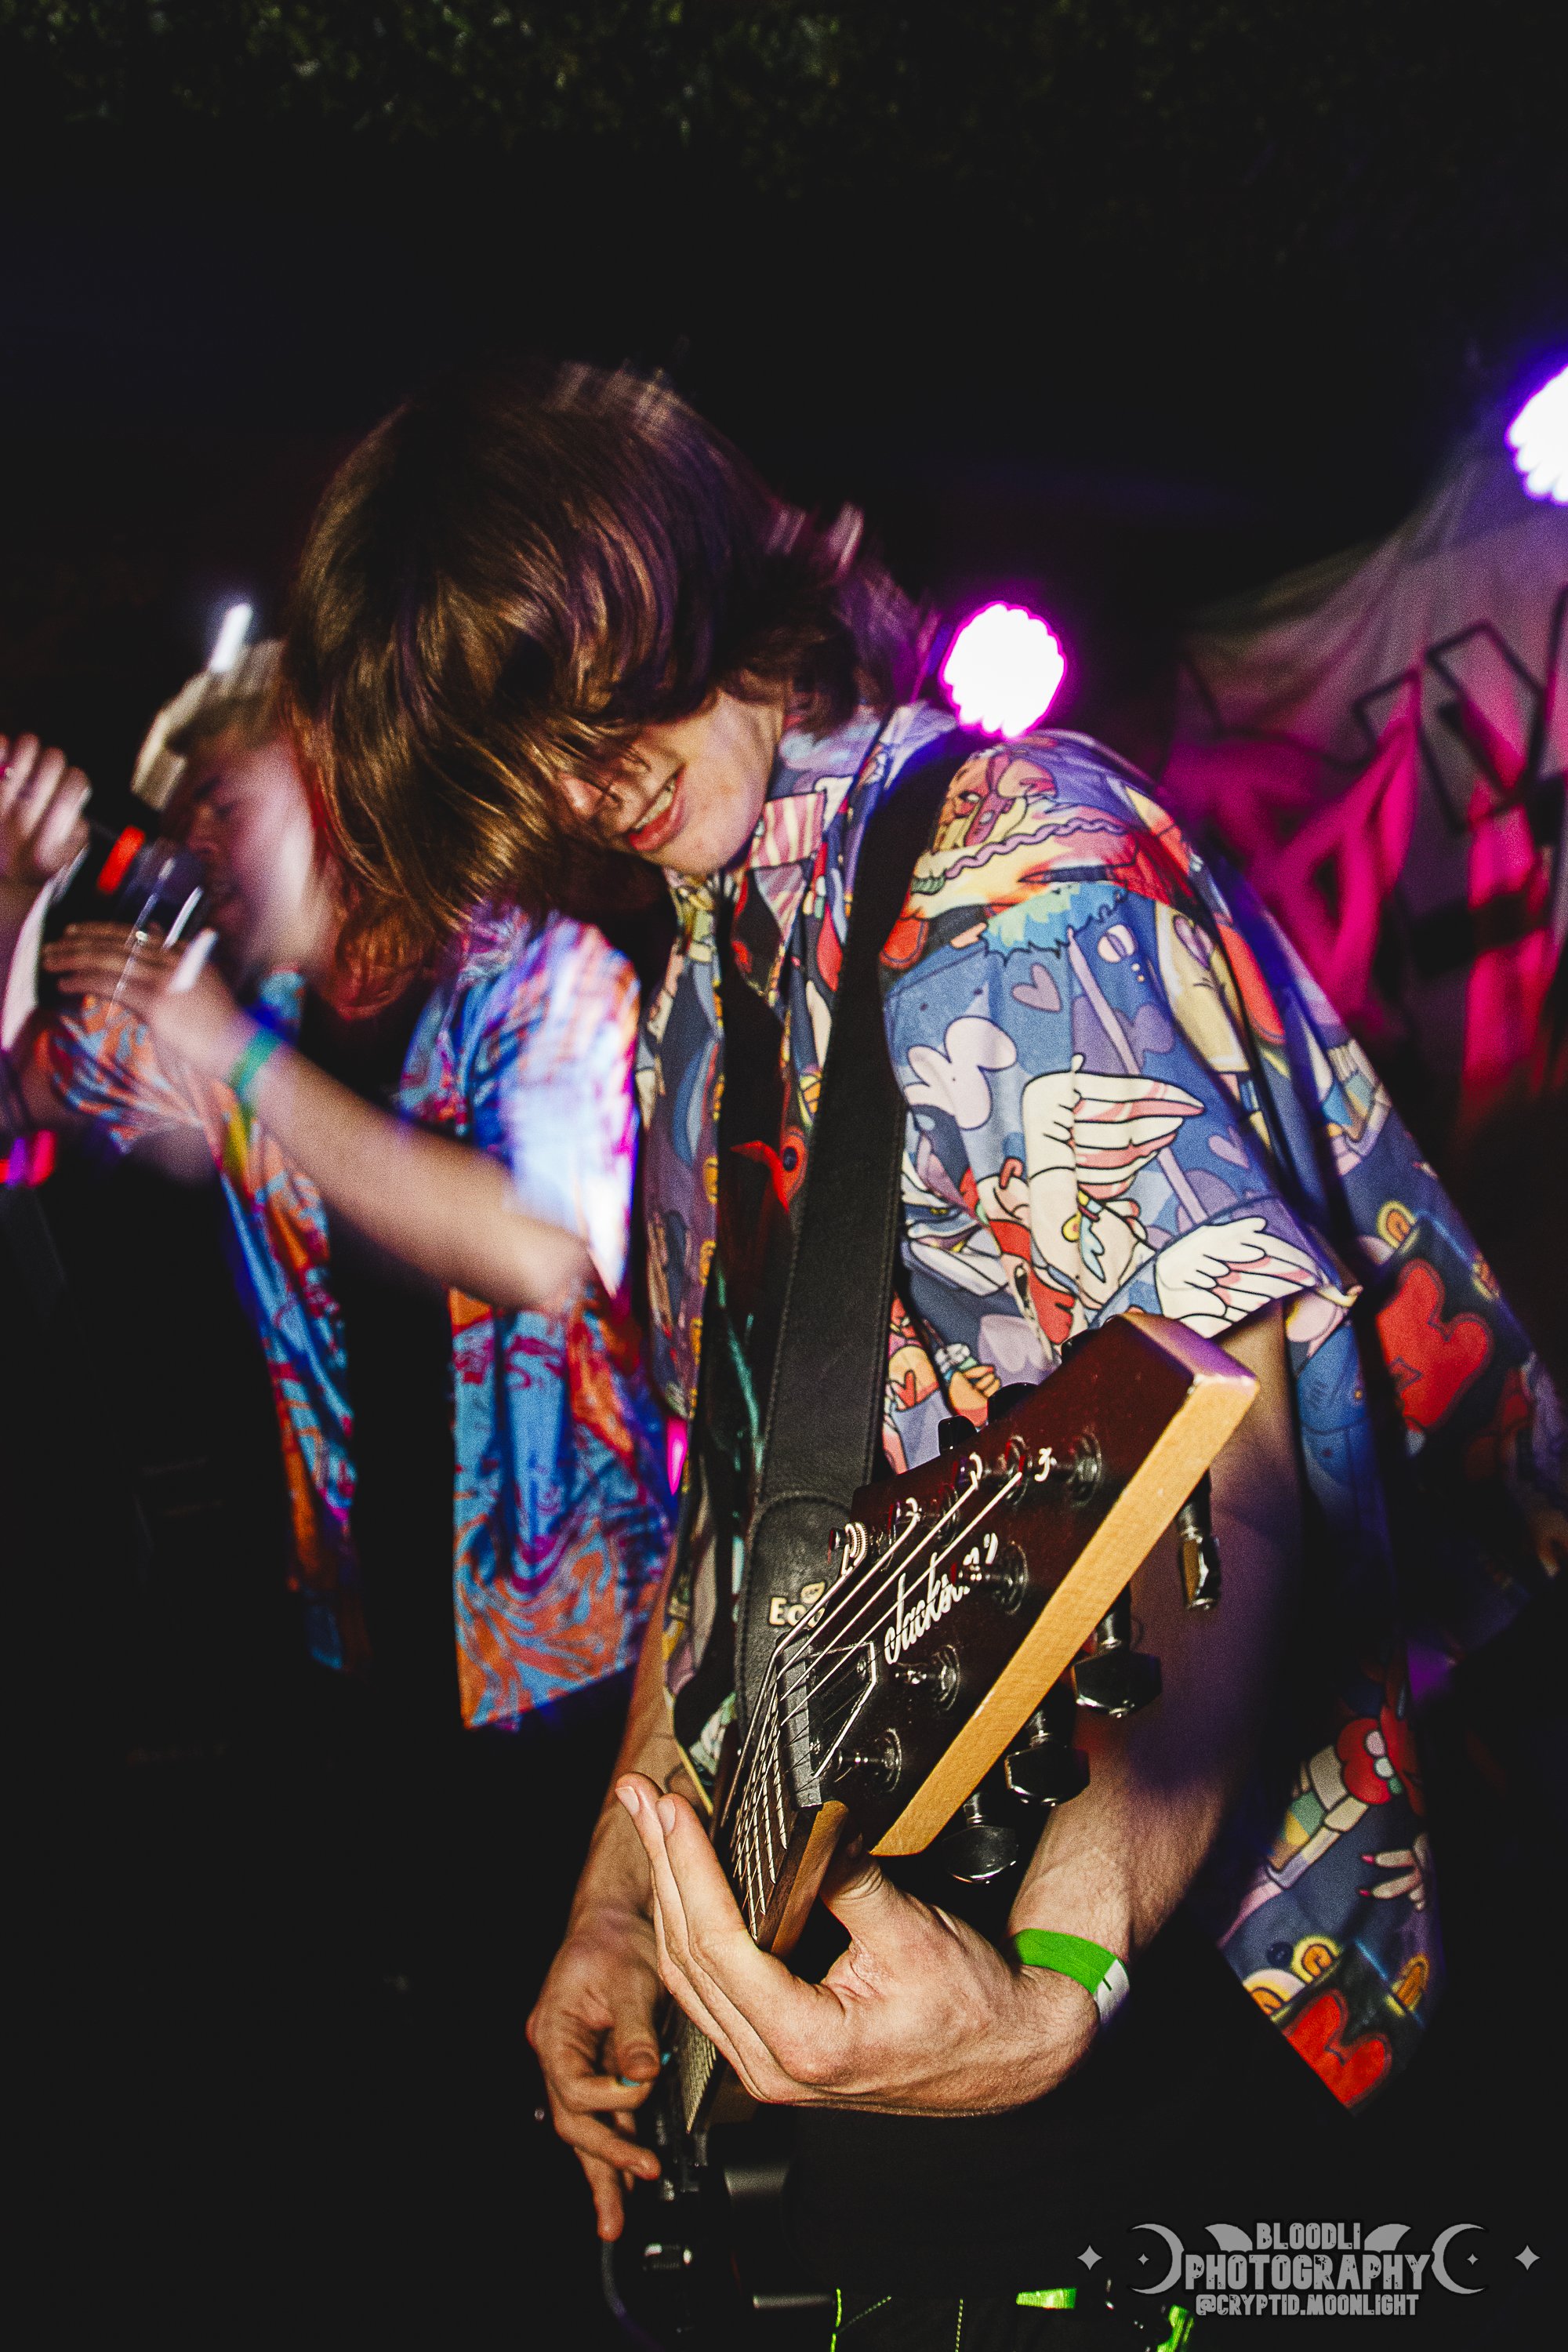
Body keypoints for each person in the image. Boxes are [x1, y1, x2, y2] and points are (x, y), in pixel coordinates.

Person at [279, 363, 1566, 2341]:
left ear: (665, 566)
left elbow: (1222, 1467)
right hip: (924, 1902)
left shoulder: (1001, 867)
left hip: (1186, 1947)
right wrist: (620, 1896)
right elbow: (736, 1515)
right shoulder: (711, 978)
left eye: (574, 675)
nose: (576, 774)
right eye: (505, 759)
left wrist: (1064, 1964)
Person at [0, 676, 676, 2012]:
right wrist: (18, 897)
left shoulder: (538, 976)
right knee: (439, 2029)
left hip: (588, 1661)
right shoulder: (234, 1023)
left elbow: (543, 1248)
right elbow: (19, 1112)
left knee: (605, 2028)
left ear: (340, 790)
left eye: (223, 801)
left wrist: (233, 1055)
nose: (196, 845)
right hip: (367, 1644)